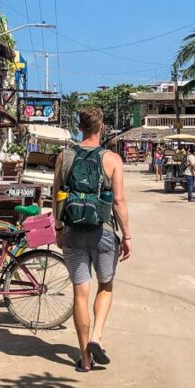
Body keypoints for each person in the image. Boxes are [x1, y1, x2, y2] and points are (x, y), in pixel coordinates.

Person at [53, 107, 132, 373]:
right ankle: (97, 337)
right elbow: (119, 201)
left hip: (73, 232)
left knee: (79, 293)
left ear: (80, 127)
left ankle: (85, 359)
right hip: (104, 232)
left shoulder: (64, 157)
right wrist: (128, 235)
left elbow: (57, 195)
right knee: (106, 286)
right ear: (102, 128)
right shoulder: (112, 159)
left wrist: (58, 227)